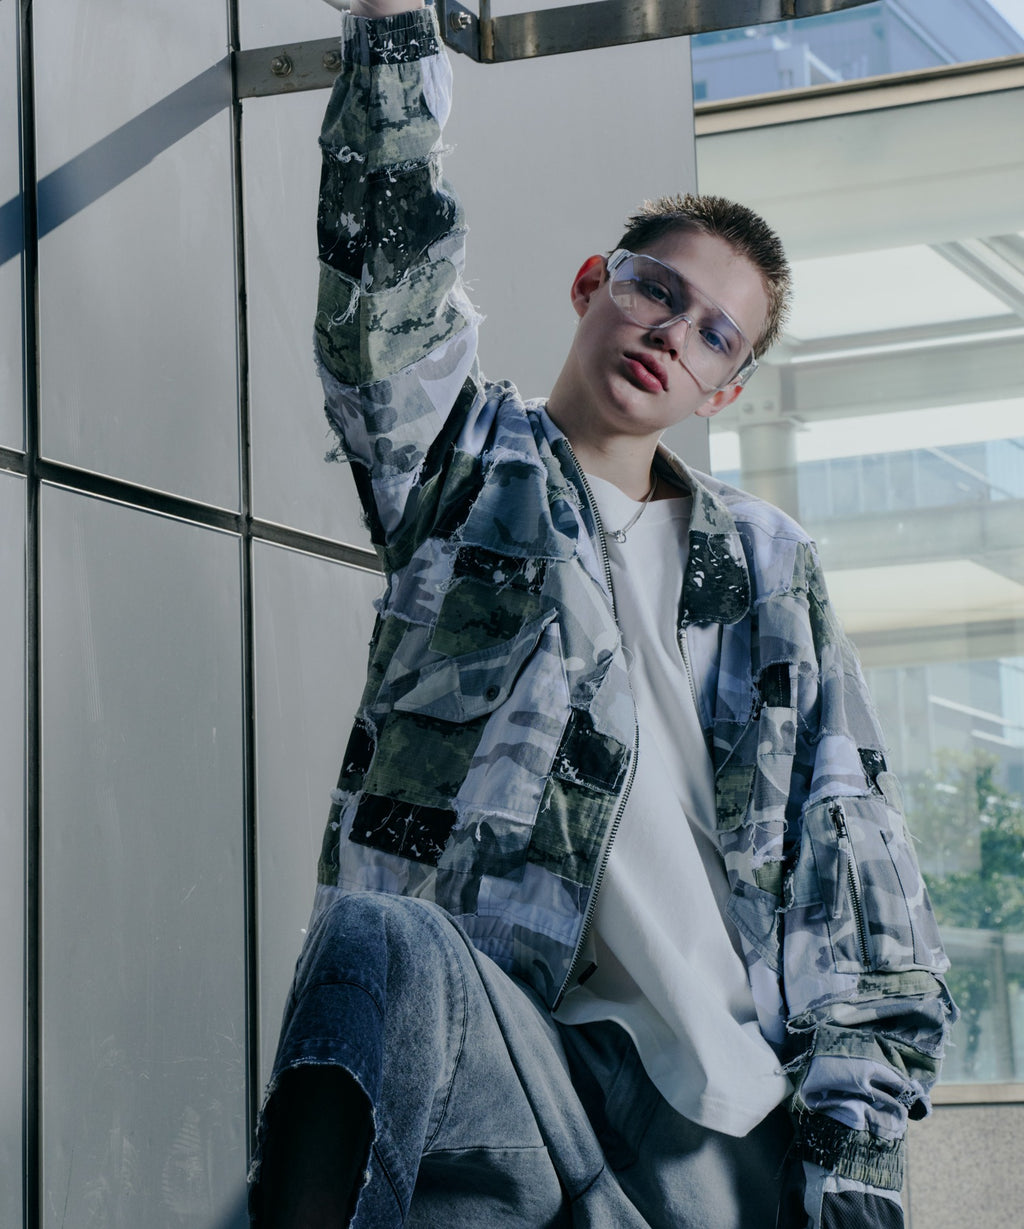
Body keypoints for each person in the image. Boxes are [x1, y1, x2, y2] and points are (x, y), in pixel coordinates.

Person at [249, 2, 956, 1226]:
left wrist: (852, 1168)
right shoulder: (469, 469)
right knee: (372, 938)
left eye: (711, 333)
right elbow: (385, 305)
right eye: (653, 291)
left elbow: (852, 868)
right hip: (511, 1064)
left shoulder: (769, 567)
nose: (669, 333)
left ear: (722, 388)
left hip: (709, 1119)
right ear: (594, 284)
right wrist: (390, 32)